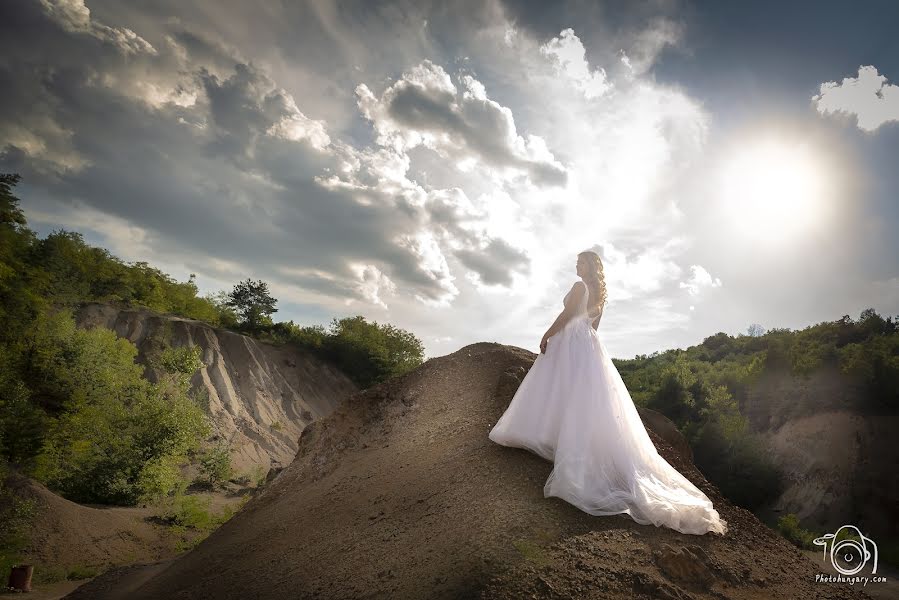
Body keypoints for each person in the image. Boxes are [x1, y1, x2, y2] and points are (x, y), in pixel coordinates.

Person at [488, 250, 728, 536]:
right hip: (587, 344)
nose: (576, 265)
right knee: (580, 395)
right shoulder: (600, 295)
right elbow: (594, 327)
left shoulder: (579, 288)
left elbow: (567, 315)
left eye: (580, 262)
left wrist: (547, 334)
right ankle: (562, 439)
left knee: (561, 389)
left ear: (589, 265)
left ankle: (552, 438)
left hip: (571, 340)